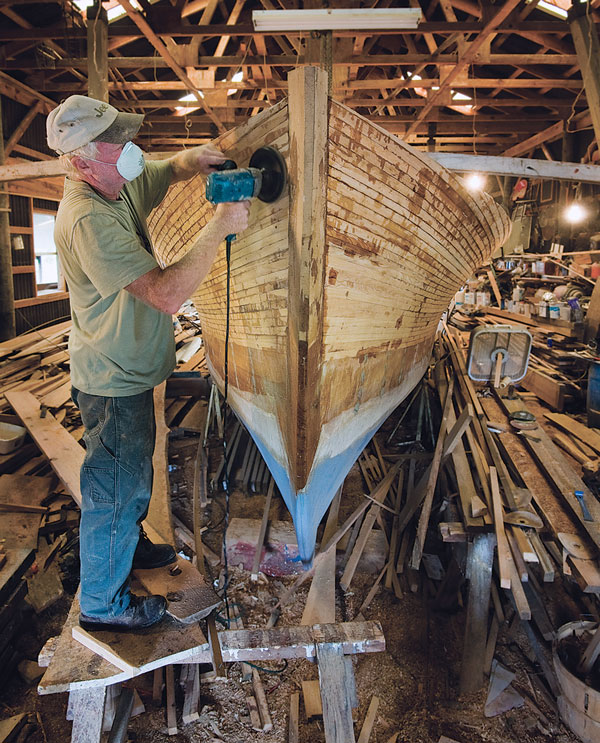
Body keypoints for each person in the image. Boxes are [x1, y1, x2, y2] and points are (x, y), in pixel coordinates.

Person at [46, 95, 250, 632]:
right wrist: (220, 226)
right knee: (116, 487)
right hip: (112, 380)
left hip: (129, 370)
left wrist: (197, 159)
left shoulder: (114, 182)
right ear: (82, 160)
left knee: (131, 477)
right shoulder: (87, 218)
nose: (132, 151)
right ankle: (103, 606)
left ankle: (130, 547)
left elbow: (162, 170)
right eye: (119, 145)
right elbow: (164, 294)